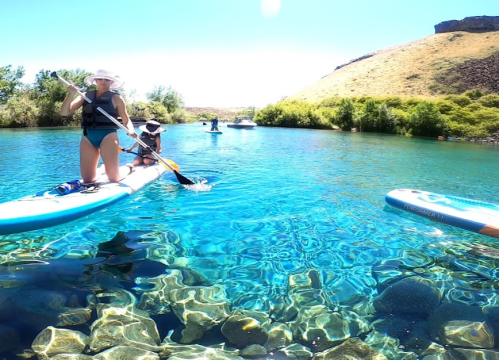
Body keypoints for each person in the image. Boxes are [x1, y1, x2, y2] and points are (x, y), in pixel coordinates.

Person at [61, 69, 137, 183]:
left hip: (108, 136)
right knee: (88, 179)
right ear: (95, 80)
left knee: (114, 178)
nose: (103, 81)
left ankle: (128, 168)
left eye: (107, 79)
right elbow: (64, 112)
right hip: (88, 136)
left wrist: (131, 130)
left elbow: (126, 120)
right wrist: (71, 94)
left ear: (111, 82)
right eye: (100, 79)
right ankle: (103, 169)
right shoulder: (85, 95)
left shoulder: (116, 98)